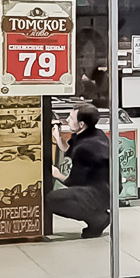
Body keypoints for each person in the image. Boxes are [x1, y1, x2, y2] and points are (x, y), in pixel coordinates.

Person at [46, 101, 112, 238]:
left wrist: (56, 174)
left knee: (51, 199)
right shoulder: (94, 134)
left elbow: (74, 182)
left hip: (100, 192)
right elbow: (70, 150)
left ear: (81, 124)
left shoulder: (85, 147)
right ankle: (98, 215)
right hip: (107, 188)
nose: (67, 120)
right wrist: (58, 138)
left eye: (71, 118)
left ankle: (98, 219)